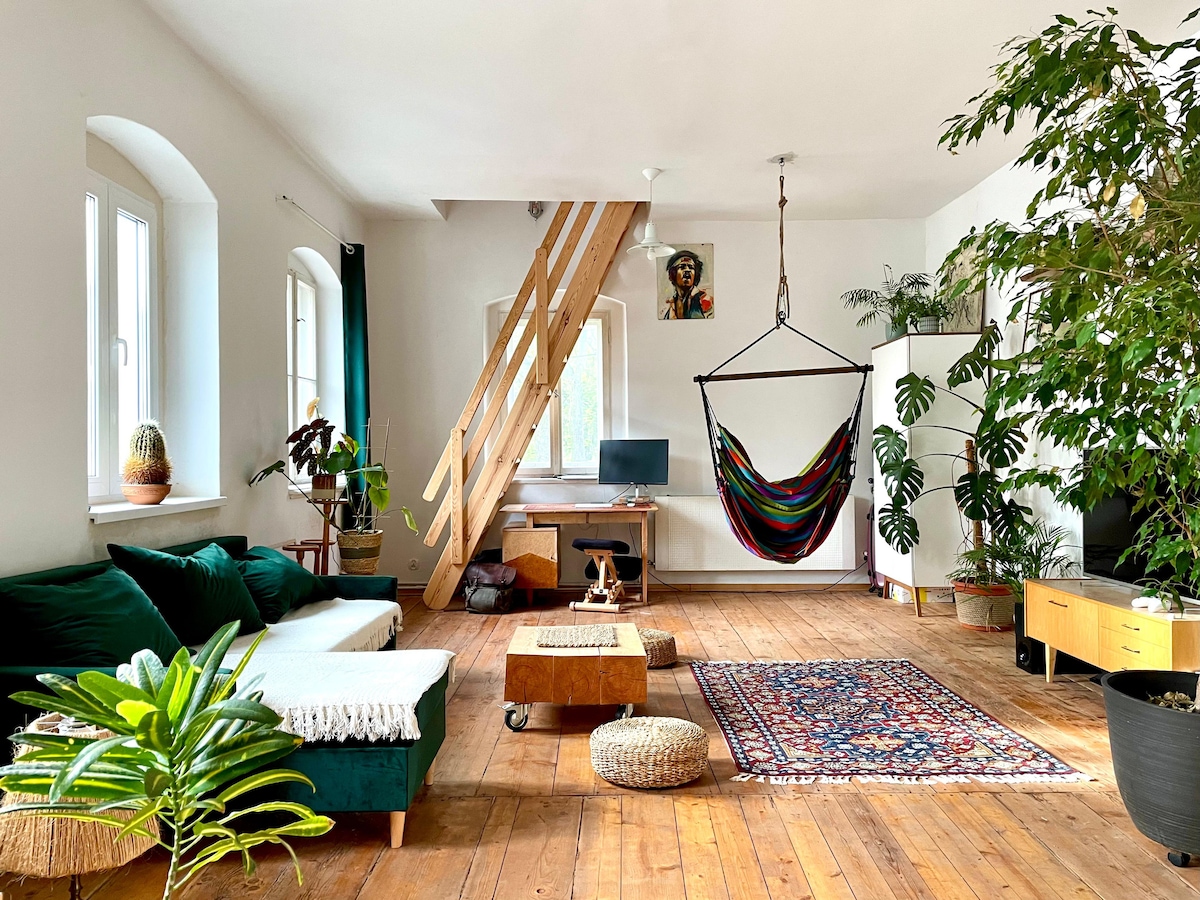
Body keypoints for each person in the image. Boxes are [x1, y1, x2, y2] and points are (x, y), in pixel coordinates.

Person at [661, 249, 714, 319]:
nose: (687, 270)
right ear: (673, 274)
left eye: (691, 267)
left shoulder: (704, 300)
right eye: (682, 267)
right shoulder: (670, 304)